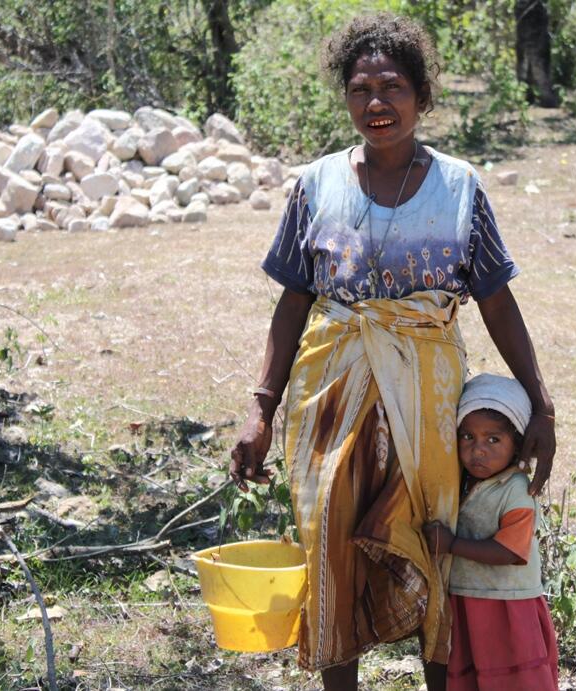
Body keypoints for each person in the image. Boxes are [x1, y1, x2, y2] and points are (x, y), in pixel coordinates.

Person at [228, 13, 555, 691]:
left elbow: (494, 298)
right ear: (344, 99)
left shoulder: (459, 187)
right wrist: (261, 409)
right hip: (332, 387)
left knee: (431, 539)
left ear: (422, 96)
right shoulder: (315, 184)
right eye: (360, 89)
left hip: (429, 394)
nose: (376, 104)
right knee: (329, 539)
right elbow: (292, 299)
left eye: (393, 87)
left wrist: (540, 404)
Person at [424, 374, 559, 690]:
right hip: (469, 604)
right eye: (467, 437)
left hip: (508, 608)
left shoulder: (517, 491)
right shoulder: (460, 480)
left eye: (493, 439)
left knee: (511, 679)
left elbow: (509, 551)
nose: (478, 451)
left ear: (519, 445)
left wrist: (453, 544)